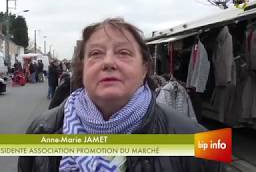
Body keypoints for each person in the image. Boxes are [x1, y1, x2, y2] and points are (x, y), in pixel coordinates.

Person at [18, 18, 223, 172]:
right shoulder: (42, 130)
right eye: (95, 53)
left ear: (144, 69)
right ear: (83, 69)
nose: (108, 62)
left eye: (123, 53)